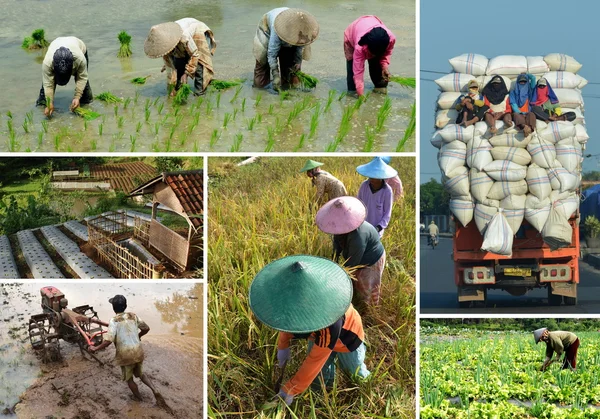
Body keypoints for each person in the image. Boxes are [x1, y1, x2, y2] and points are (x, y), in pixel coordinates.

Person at [249, 255, 369, 406]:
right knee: (320, 376)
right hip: (318, 337)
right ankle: (323, 398)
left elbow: (314, 361)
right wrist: (283, 346)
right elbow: (287, 322)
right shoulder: (294, 304)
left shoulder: (329, 324)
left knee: (354, 370)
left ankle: (367, 386)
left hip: (348, 339)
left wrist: (291, 388)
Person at [89, 295, 166, 405]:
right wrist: (138, 336)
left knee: (129, 379)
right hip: (138, 351)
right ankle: (155, 390)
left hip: (125, 355)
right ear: (125, 306)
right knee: (141, 374)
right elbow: (146, 328)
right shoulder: (133, 316)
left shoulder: (113, 321)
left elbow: (108, 341)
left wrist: (95, 348)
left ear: (113, 308)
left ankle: (140, 399)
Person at [316, 196, 386, 305]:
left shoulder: (358, 236)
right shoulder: (339, 228)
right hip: (358, 257)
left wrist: (338, 277)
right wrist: (334, 260)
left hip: (372, 260)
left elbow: (352, 263)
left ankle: (369, 311)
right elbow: (337, 245)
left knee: (368, 289)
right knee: (358, 282)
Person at [144, 18, 217, 96]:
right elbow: (170, 65)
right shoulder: (164, 43)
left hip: (197, 32)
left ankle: (200, 94)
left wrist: (187, 73)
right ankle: (179, 89)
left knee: (199, 66)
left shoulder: (184, 37)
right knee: (178, 64)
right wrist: (171, 86)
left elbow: (195, 54)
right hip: (182, 38)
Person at [252, 8, 319, 90]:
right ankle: (262, 90)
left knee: (290, 72)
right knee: (260, 80)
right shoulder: (277, 29)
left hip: (291, 31)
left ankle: (287, 89)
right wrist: (275, 74)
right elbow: (271, 54)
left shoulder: (302, 29)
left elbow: (299, 50)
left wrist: (297, 65)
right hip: (267, 30)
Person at [36, 36, 93, 117]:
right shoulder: (47, 63)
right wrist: (49, 103)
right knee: (44, 94)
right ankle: (43, 107)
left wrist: (77, 97)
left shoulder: (80, 59)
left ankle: (86, 103)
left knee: (85, 91)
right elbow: (48, 84)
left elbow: (82, 77)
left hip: (78, 46)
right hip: (56, 44)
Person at [344, 16, 395, 97]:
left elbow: (387, 52)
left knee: (379, 77)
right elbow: (358, 72)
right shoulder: (359, 47)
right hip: (352, 34)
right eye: (373, 53)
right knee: (352, 80)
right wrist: (360, 94)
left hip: (374, 35)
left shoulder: (390, 39)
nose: (373, 55)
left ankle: (379, 92)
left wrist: (384, 66)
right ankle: (352, 94)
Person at [356, 157, 396, 237]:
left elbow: (387, 214)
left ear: (380, 178)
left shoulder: (387, 191)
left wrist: (378, 228)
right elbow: (358, 204)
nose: (372, 180)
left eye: (374, 178)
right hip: (362, 226)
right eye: (371, 177)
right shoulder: (364, 185)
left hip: (376, 231)